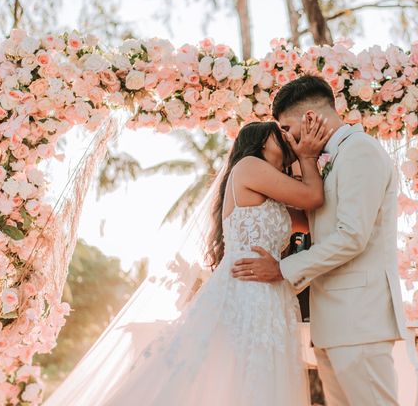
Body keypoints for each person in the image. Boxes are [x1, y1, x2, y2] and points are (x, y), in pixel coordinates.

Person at [99, 119, 333, 405]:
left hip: (271, 292)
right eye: (279, 132)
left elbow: (312, 221)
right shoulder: (249, 166)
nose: (287, 135)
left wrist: (301, 164)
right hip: (245, 290)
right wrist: (307, 156)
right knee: (237, 374)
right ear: (260, 142)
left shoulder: (274, 194)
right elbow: (312, 196)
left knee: (262, 377)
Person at [232, 75, 408, 406]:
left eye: (286, 128)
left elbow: (352, 237)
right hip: (334, 325)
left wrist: (282, 270)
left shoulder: (360, 152)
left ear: (309, 118)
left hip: (360, 322)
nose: (286, 138)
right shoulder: (331, 159)